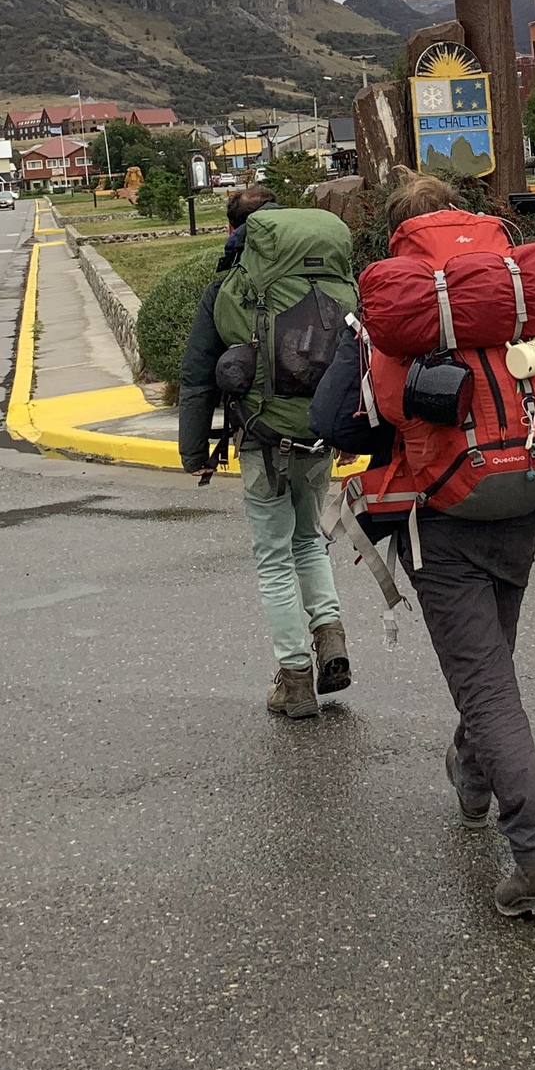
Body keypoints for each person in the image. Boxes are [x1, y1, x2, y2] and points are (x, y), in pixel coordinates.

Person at [311, 172, 535, 919]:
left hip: (440, 515)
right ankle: (472, 770)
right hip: (524, 496)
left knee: (486, 680)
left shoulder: (386, 310)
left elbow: (336, 419)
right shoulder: (512, 294)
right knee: (490, 660)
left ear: (398, 238)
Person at [178, 184, 351, 720]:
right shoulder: (333, 277)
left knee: (275, 558)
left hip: (262, 438)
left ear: (239, 232)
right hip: (321, 435)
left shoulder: (230, 287)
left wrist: (196, 452)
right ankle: (332, 636)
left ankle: (295, 678)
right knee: (309, 541)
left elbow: (197, 376)